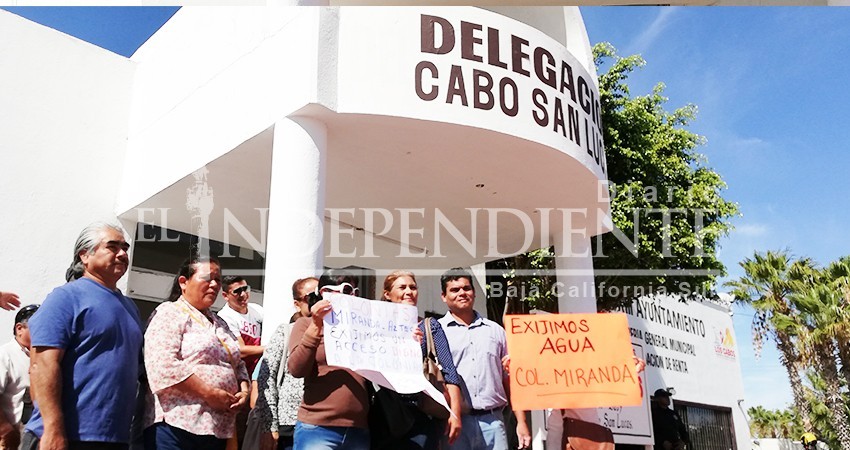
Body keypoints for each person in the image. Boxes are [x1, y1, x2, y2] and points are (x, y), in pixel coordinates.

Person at [23, 222, 144, 450]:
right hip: (64, 436)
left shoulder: (130, 308)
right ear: (85, 256)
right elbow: (42, 365)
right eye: (113, 246)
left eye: (125, 248)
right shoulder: (66, 298)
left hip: (113, 438)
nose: (122, 254)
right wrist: (53, 428)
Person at [143, 255, 250, 450]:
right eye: (208, 278)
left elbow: (238, 364)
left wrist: (244, 391)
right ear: (183, 282)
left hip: (217, 428)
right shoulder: (169, 313)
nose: (215, 284)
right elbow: (163, 365)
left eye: (217, 279)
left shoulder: (221, 324)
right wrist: (209, 394)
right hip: (176, 426)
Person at [437, 268, 530, 450]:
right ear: (443, 296)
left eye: (466, 288)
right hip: (453, 424)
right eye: (455, 290)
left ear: (474, 292)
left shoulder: (495, 331)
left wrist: (522, 421)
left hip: (494, 422)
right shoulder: (436, 332)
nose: (462, 293)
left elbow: (510, 380)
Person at [378, 270, 463, 449]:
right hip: (383, 413)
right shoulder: (374, 327)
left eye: (413, 287)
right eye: (402, 287)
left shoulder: (429, 326)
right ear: (387, 294)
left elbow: (450, 372)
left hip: (421, 415)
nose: (409, 291)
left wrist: (455, 414)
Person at [287, 270, 370, 450]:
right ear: (323, 294)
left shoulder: (365, 328)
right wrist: (316, 326)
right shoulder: (305, 324)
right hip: (318, 428)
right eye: (341, 291)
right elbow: (296, 369)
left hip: (358, 430)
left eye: (351, 292)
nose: (346, 297)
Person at [248, 277, 319, 450]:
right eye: (312, 298)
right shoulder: (285, 332)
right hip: (290, 424)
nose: (319, 302)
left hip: (326, 425)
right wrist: (269, 426)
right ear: (297, 303)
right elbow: (266, 377)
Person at [0, 304, 38, 449]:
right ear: (19, 329)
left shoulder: (44, 355)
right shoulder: (5, 354)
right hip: (12, 440)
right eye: (36, 325)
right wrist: (5, 431)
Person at [218, 276, 265, 375]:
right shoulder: (225, 317)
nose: (243, 294)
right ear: (225, 296)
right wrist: (269, 349)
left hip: (258, 371)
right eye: (237, 291)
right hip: (238, 375)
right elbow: (240, 350)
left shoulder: (258, 309)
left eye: (245, 289)